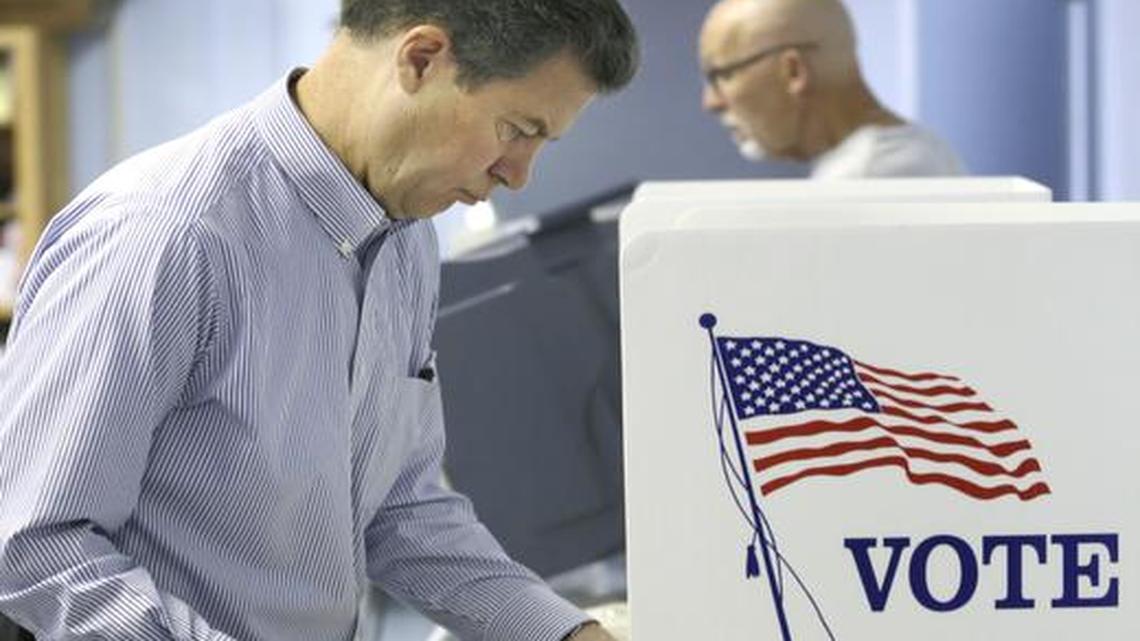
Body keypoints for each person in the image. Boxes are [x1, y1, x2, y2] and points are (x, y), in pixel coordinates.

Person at [0, 1, 638, 640]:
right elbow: (34, 544)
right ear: (421, 59)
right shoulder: (165, 234)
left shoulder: (406, 243)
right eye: (516, 129)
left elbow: (400, 509)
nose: (520, 175)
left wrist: (567, 634)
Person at [699, 0, 964, 178]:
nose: (711, 102)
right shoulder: (918, 152)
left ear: (793, 71)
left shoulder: (870, 177)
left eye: (722, 75)